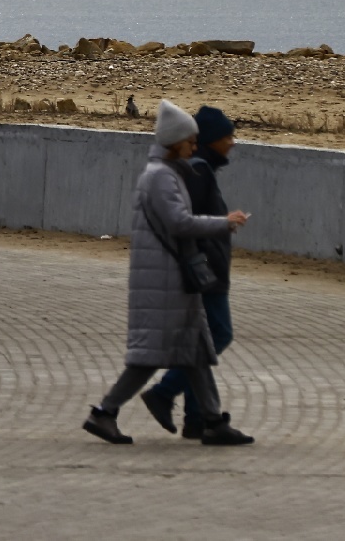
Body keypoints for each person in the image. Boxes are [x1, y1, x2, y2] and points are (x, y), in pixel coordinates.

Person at [82, 100, 254, 448]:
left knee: (196, 348)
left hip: (170, 278)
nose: (195, 146)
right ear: (176, 142)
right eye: (190, 141)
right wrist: (224, 223)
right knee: (149, 359)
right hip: (165, 280)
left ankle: (212, 420)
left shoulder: (166, 174)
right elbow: (179, 223)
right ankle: (105, 412)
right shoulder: (160, 177)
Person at [140, 105, 237, 438]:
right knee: (218, 336)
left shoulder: (196, 169)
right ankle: (164, 392)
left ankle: (198, 419)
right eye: (227, 137)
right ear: (210, 141)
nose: (233, 143)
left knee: (204, 340)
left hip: (206, 270)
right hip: (206, 273)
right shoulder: (198, 173)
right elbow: (185, 223)